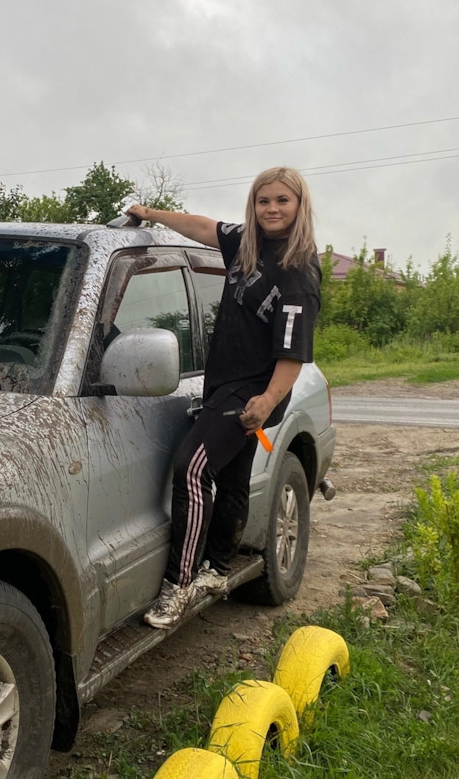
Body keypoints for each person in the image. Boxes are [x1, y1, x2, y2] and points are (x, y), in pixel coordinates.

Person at [125, 166, 321, 629]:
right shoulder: (246, 245)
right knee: (232, 476)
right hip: (220, 383)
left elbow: (293, 356)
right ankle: (217, 568)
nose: (271, 209)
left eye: (282, 201)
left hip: (252, 390)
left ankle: (180, 584)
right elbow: (200, 226)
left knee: (191, 468)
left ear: (300, 206)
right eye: (263, 201)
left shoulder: (298, 272)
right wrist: (149, 213)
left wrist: (267, 401)